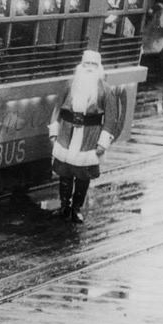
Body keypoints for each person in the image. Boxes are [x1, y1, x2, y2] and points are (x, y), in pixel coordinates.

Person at [47, 49, 121, 223]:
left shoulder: (105, 90)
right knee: (65, 173)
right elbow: (57, 109)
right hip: (66, 134)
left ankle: (76, 208)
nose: (89, 68)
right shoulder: (70, 85)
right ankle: (64, 206)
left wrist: (103, 142)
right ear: (81, 65)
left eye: (92, 65)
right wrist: (54, 132)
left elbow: (110, 118)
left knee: (83, 175)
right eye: (86, 64)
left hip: (89, 137)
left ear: (98, 67)